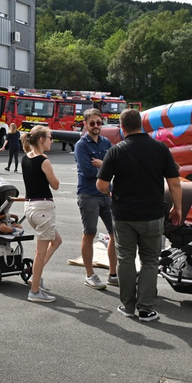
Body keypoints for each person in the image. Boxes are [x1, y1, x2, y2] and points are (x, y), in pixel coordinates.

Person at [97, 108, 182, 322]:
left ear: (122, 128)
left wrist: (113, 190)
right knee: (150, 260)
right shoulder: (160, 149)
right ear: (142, 124)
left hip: (123, 213)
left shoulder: (116, 151)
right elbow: (174, 182)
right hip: (152, 215)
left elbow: (101, 185)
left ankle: (127, 306)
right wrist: (177, 208)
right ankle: (145, 309)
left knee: (125, 258)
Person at [74, 108, 118, 290]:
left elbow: (116, 166)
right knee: (89, 233)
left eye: (99, 122)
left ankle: (113, 274)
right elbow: (88, 171)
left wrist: (104, 165)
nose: (96, 126)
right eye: (92, 123)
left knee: (116, 233)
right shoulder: (81, 145)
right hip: (88, 195)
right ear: (85, 124)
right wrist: (106, 167)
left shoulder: (106, 142)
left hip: (107, 194)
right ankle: (89, 274)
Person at [22, 126, 63, 303]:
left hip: (30, 207)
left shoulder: (25, 158)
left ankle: (35, 276)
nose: (51, 141)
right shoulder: (43, 161)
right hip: (43, 208)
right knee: (40, 252)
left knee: (56, 241)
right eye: (49, 137)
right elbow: (55, 185)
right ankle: (35, 289)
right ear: (41, 139)